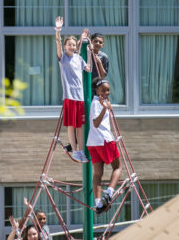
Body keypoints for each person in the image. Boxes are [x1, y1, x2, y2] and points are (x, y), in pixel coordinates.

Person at [55, 16, 92, 163]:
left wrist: (88, 52)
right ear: (65, 47)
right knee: (71, 125)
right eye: (68, 44)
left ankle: (81, 151)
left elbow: (88, 69)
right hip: (69, 96)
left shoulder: (78, 58)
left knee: (80, 126)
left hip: (80, 97)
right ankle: (75, 151)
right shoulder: (63, 58)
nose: (71, 46)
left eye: (73, 44)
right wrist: (58, 30)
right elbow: (58, 42)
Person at [86, 78, 122, 214]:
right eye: (103, 90)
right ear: (96, 90)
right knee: (118, 167)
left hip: (93, 143)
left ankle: (98, 204)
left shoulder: (100, 102)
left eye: (108, 90)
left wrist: (107, 107)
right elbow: (95, 123)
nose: (107, 92)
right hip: (104, 140)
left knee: (98, 174)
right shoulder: (97, 103)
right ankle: (109, 193)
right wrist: (104, 109)